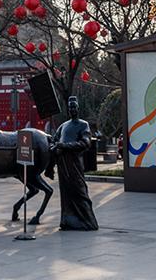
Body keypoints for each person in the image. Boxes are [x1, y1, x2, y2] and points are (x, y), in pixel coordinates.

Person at [51, 96, 99, 231]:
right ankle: (68, 220)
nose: (72, 109)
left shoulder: (83, 125)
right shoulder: (63, 126)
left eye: (74, 107)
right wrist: (55, 148)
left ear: (78, 108)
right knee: (66, 193)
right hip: (62, 164)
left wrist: (65, 146)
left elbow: (85, 143)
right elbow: (54, 141)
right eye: (70, 107)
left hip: (75, 163)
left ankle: (89, 221)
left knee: (80, 191)